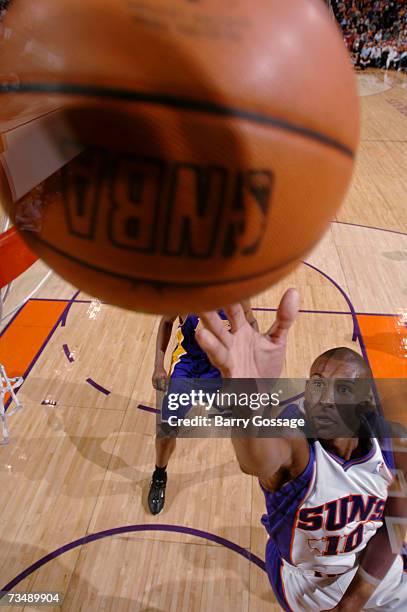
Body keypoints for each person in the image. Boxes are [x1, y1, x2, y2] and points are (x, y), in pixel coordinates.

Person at [196, 290, 407, 611]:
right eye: (317, 383)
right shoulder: (294, 439)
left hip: (373, 573)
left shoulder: (394, 445)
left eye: (344, 389)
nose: (325, 398)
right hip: (308, 585)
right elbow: (256, 459)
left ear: (365, 402)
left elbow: (397, 522)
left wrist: (353, 601)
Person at [148, 302, 258, 515]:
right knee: (167, 429)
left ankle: (268, 472)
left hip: (221, 367)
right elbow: (166, 321)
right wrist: (158, 366)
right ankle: (159, 475)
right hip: (187, 366)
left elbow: (251, 320)